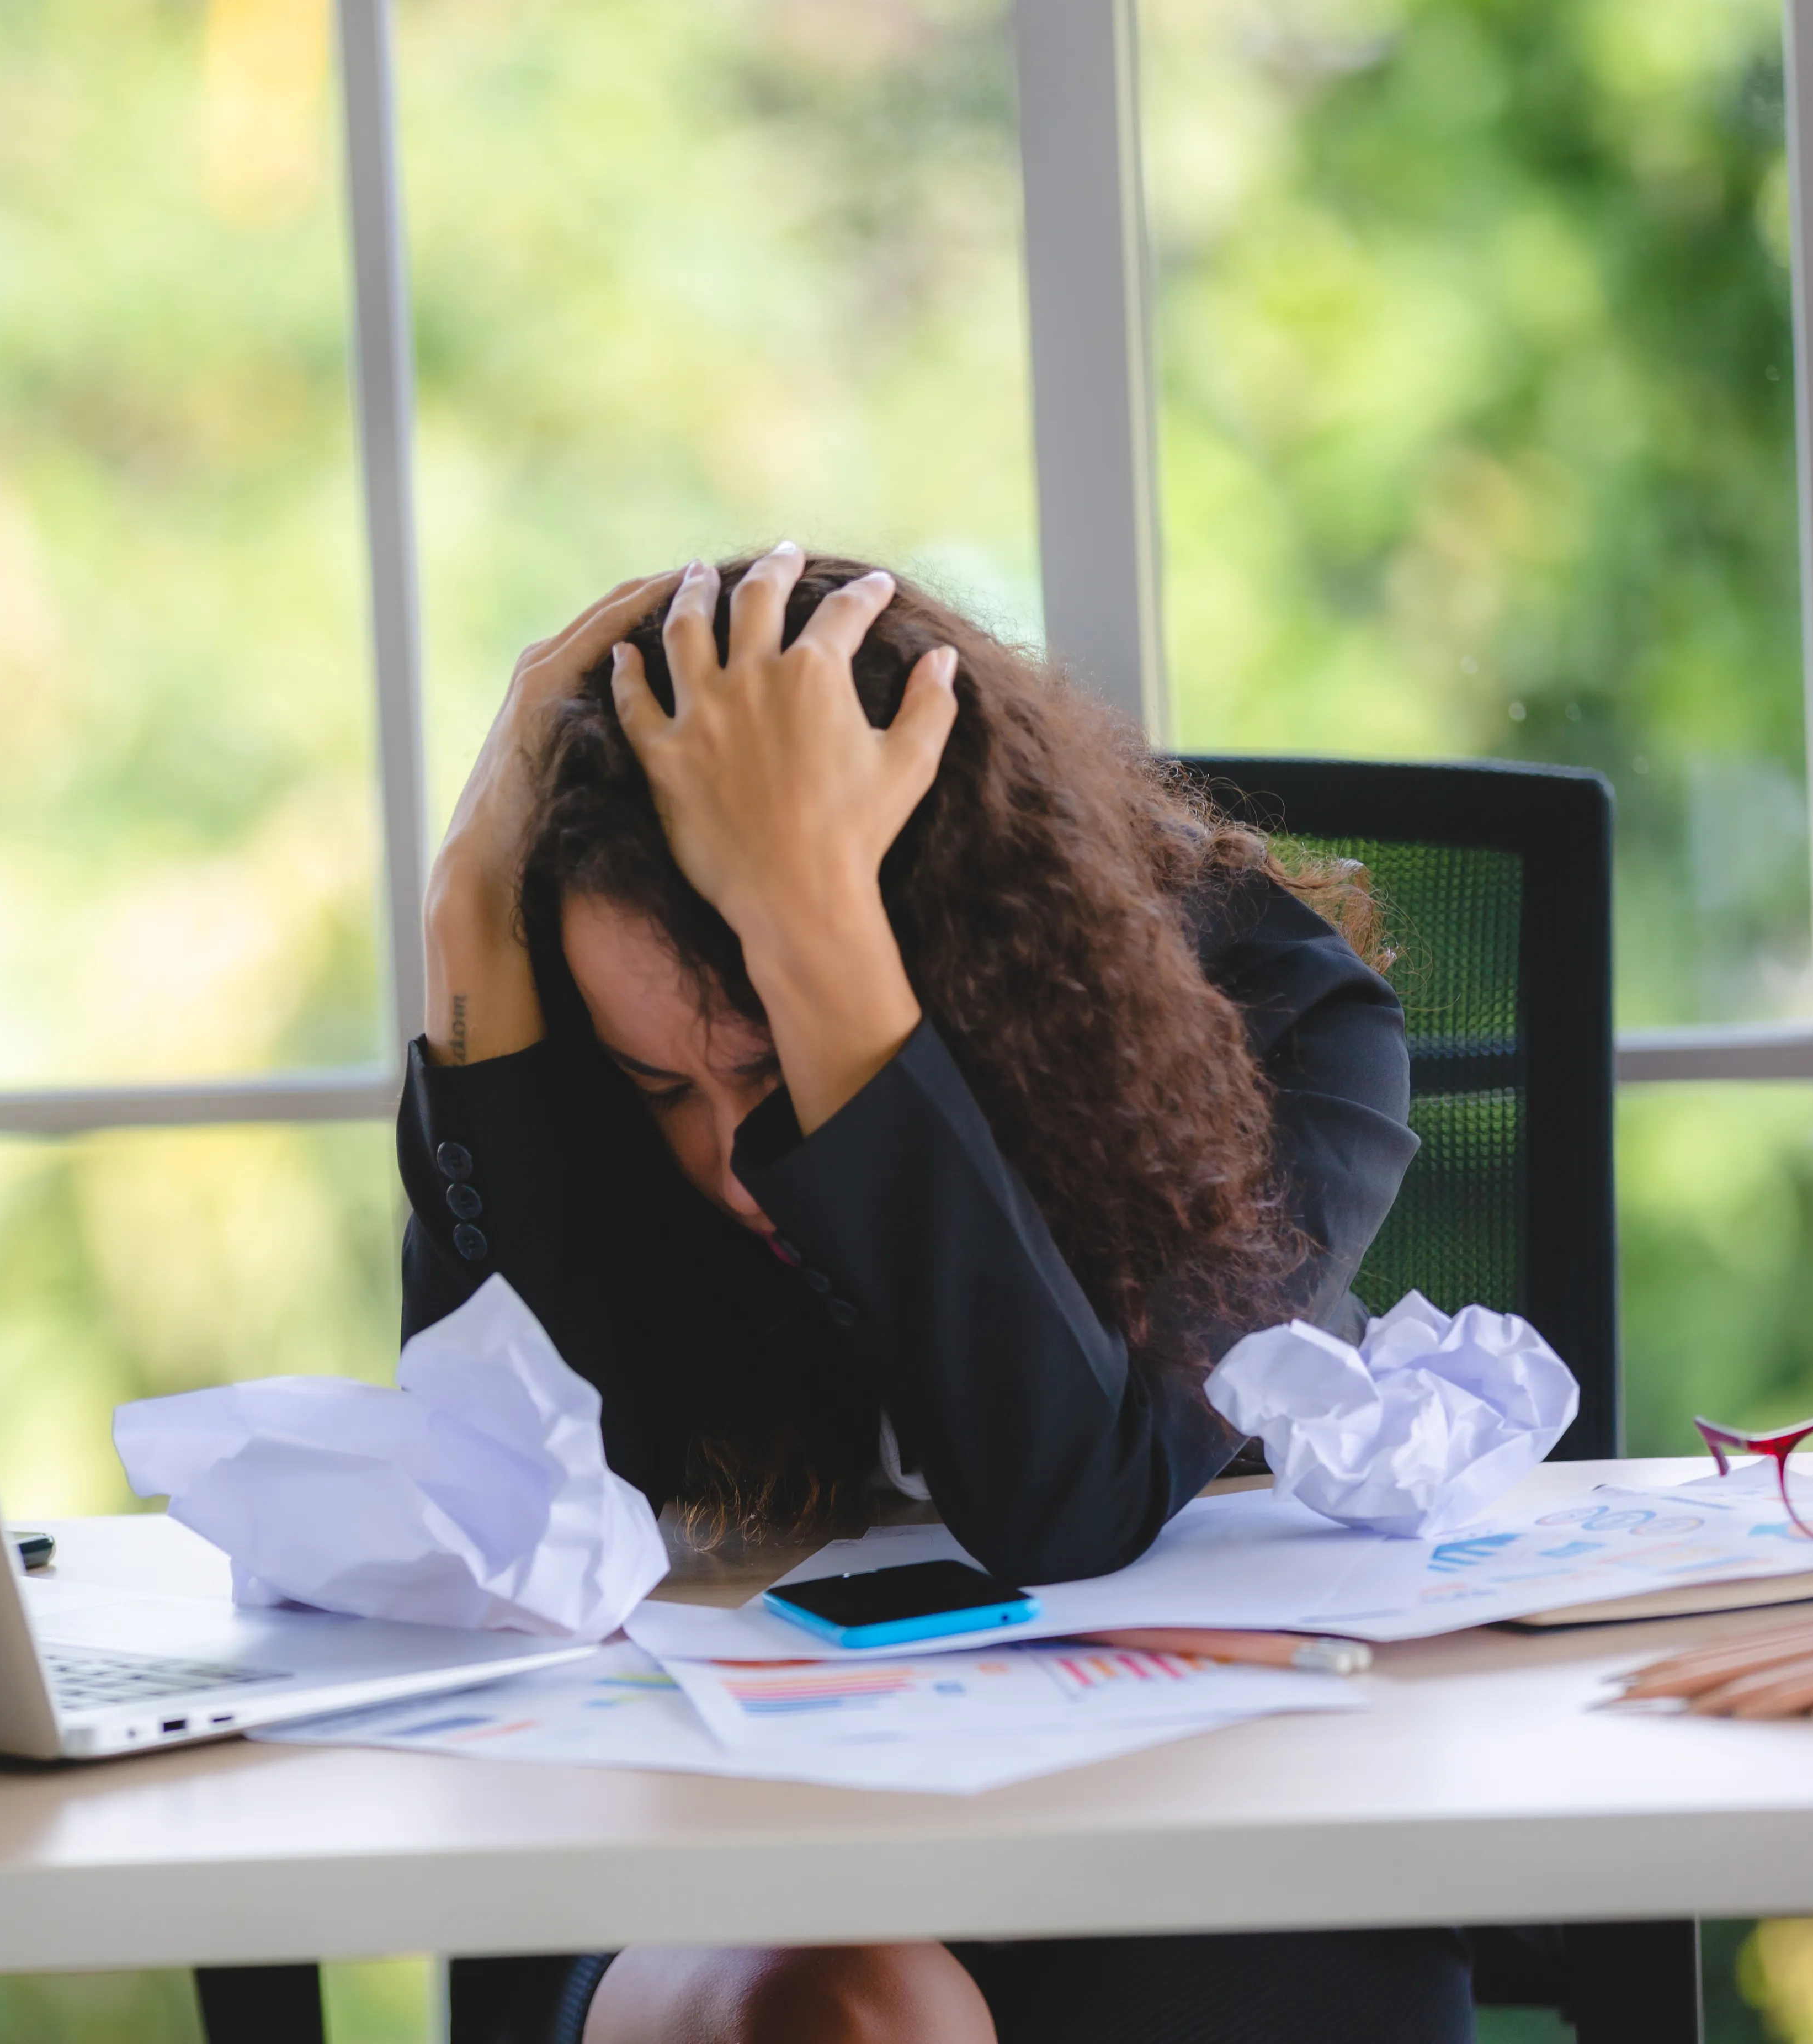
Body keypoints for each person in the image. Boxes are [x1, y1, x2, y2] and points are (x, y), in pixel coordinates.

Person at [402, 546, 1464, 2044]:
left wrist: (813, 927)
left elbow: (1071, 1496)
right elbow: (511, 1503)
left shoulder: (1273, 1018)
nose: (729, 1170)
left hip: (1200, 1829)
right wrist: (466, 915)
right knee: (842, 2013)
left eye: (763, 1071)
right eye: (661, 1090)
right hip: (716, 1837)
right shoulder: (591, 1066)